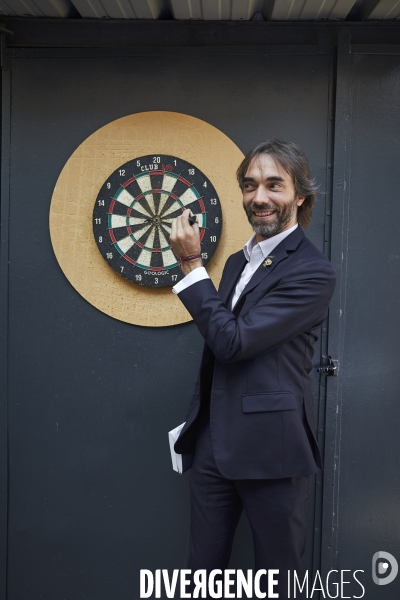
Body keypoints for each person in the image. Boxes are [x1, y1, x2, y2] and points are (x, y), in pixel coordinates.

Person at [169, 140, 336, 598]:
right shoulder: (241, 260)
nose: (259, 197)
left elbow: (233, 342)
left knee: (277, 583)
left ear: (299, 196)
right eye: (250, 185)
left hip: (272, 453)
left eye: (273, 185)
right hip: (212, 447)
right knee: (200, 580)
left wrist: (189, 263)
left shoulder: (312, 272)